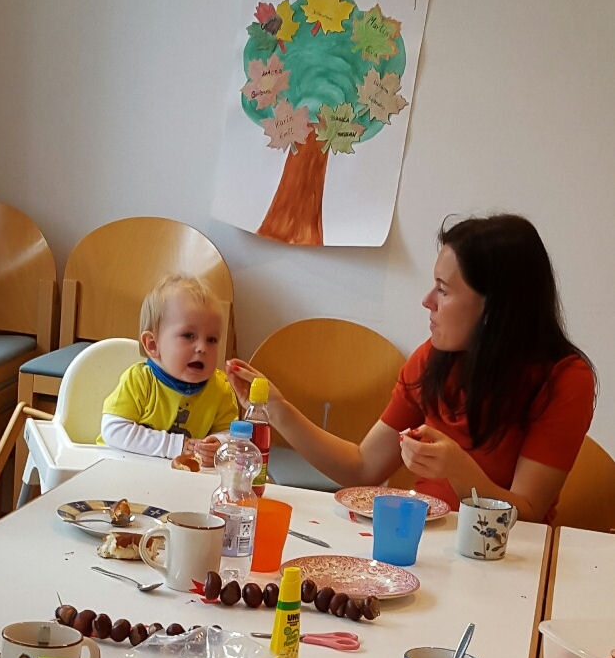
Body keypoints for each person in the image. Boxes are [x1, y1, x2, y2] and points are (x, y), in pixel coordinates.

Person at [226, 215, 596, 523]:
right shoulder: (433, 358)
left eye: (443, 290)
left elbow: (528, 514)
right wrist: (277, 409)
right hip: (422, 541)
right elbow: (362, 468)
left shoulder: (565, 379)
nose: (427, 301)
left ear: (494, 308)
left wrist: (458, 469)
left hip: (505, 557)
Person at [98, 274, 238, 466]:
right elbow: (113, 430)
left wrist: (219, 444)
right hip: (122, 470)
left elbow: (233, 434)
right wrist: (173, 445)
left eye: (211, 339)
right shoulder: (139, 381)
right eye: (188, 335)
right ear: (153, 345)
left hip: (180, 477)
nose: (202, 348)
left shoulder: (220, 388)